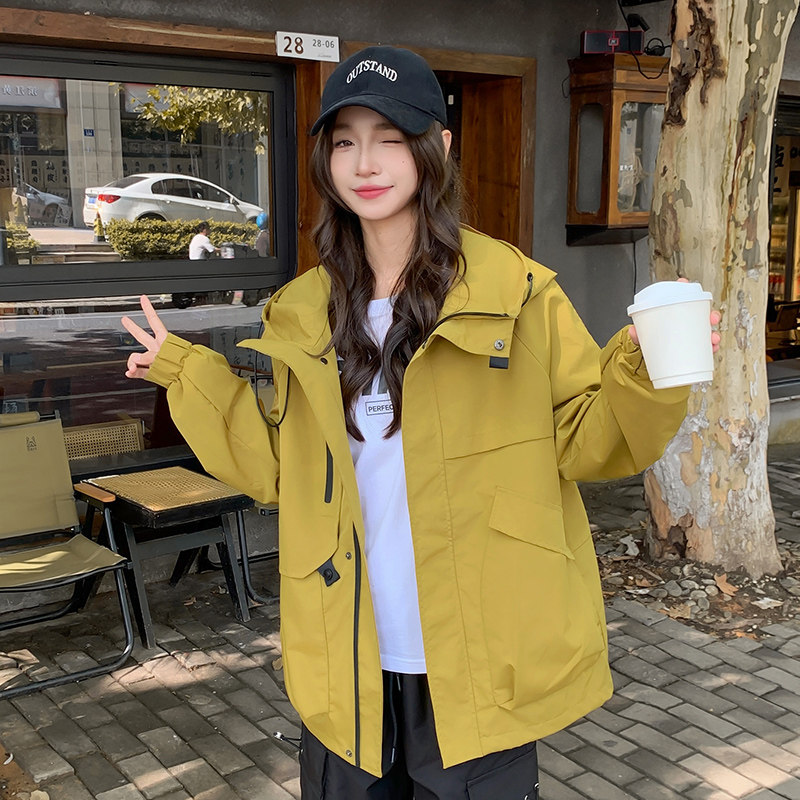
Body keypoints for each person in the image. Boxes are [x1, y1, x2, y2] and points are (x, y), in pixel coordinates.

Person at [122, 46, 721, 799]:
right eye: (345, 141)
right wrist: (186, 373)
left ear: (437, 146)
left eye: (391, 138)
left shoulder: (515, 290)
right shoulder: (303, 310)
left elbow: (590, 439)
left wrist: (643, 367)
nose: (365, 163)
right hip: (346, 655)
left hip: (479, 657)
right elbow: (277, 468)